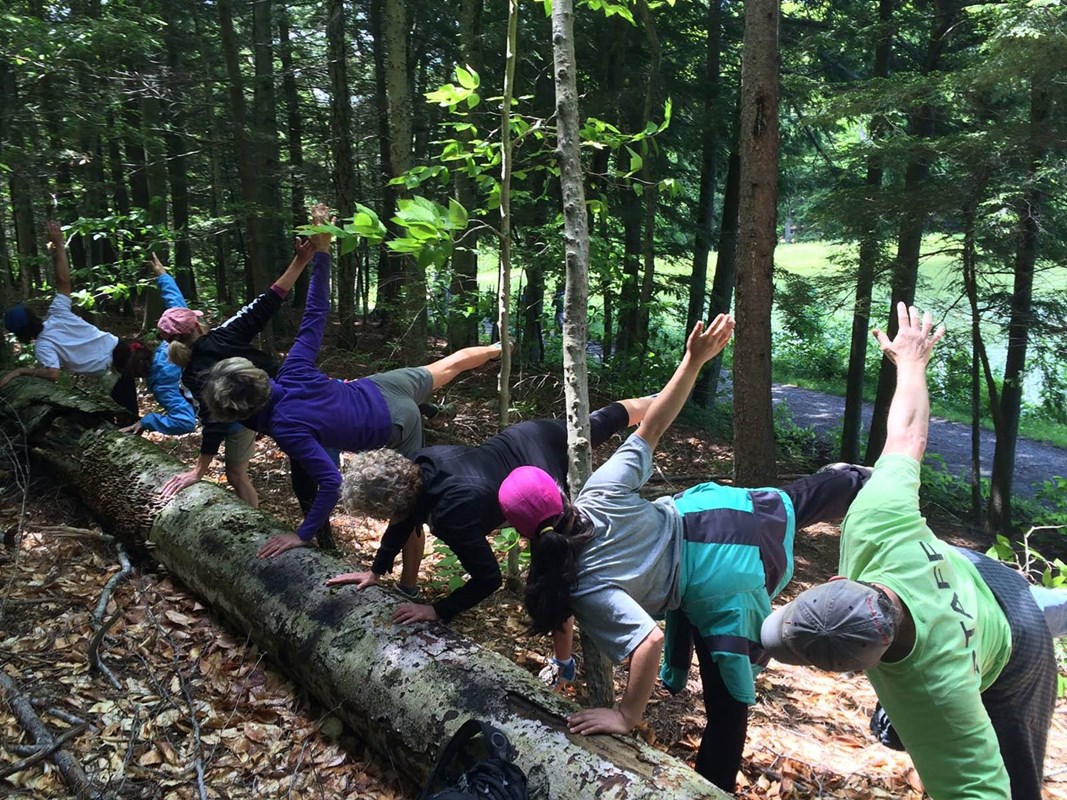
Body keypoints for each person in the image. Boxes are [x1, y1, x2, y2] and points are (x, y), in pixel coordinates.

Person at [495, 315, 871, 793]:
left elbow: (647, 643)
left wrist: (627, 714)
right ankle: (858, 481)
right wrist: (693, 360)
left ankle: (712, 786)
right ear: (559, 493)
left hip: (716, 576)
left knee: (729, 697)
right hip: (710, 514)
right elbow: (652, 425)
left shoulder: (582, 583)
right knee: (795, 501)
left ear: (520, 532)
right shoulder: (599, 491)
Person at [761, 303, 1067, 800]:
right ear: (840, 581)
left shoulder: (938, 695)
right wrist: (910, 363)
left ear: (867, 670)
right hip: (974, 572)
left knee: (1019, 782)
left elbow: (983, 791)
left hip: (1015, 649)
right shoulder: (874, 526)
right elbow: (907, 435)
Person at [198, 231, 503, 560]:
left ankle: (409, 585)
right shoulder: (292, 370)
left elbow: (330, 482)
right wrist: (322, 253)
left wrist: (303, 535)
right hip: (382, 386)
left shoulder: (287, 428)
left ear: (242, 413)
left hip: (394, 424)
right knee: (446, 365)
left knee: (408, 504)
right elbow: (315, 313)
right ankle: (496, 349)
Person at [325, 397, 654, 642]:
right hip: (529, 434)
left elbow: (488, 579)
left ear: (391, 506)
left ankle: (563, 656)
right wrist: (376, 569)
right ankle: (662, 400)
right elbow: (405, 518)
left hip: (540, 475)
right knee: (601, 421)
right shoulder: (421, 464)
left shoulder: (451, 514)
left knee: (561, 555)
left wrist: (439, 610)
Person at [158, 211, 323, 513]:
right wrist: (300, 262)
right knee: (316, 459)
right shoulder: (225, 335)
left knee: (307, 471)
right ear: (197, 326)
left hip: (278, 413)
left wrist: (199, 470)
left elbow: (213, 422)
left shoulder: (190, 374)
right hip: (297, 392)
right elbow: (268, 301)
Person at [1, 221, 138, 417]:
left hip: (114, 370)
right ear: (32, 315)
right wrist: (59, 246)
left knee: (129, 416)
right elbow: (64, 281)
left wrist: (20, 371)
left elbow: (53, 373)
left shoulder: (43, 345)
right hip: (125, 348)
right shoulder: (57, 313)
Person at [114, 253, 196, 437]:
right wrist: (163, 276)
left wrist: (148, 420)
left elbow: (186, 422)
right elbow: (178, 310)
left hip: (229, 413)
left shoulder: (162, 388)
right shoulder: (169, 346)